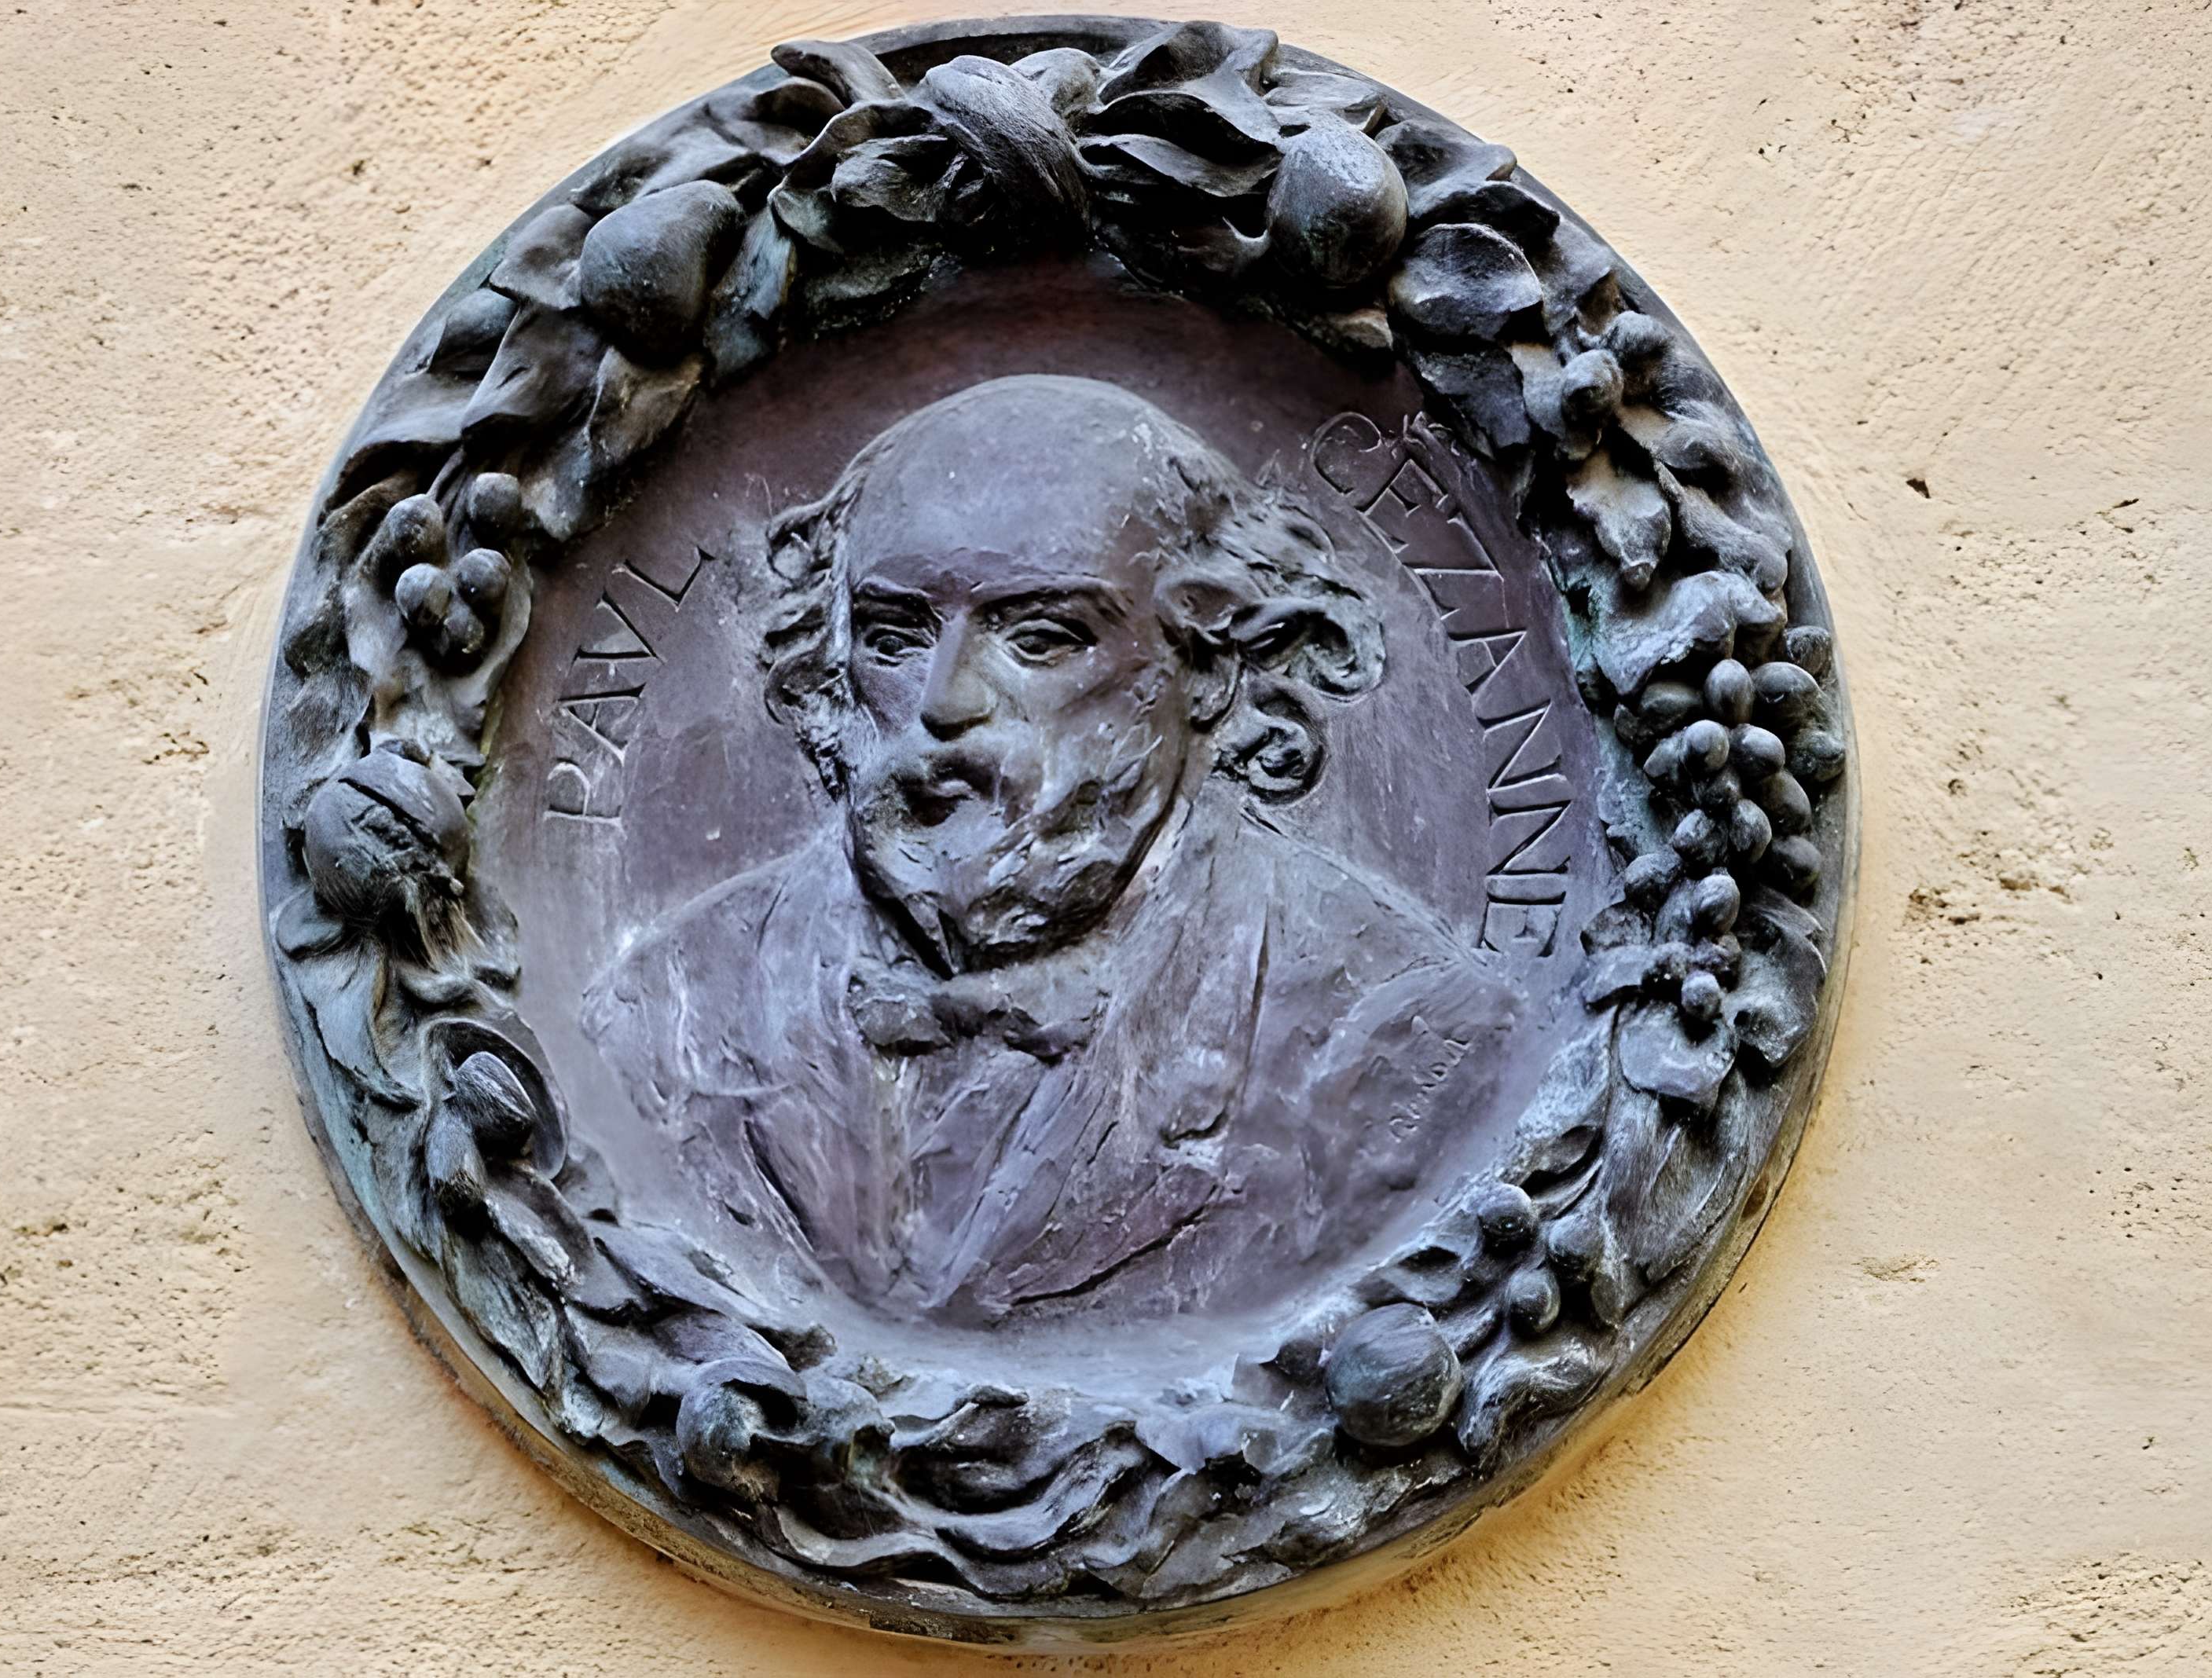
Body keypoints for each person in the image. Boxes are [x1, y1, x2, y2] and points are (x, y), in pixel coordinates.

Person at [582, 376, 1514, 1324]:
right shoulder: (660, 1007)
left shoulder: (1407, 1030)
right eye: (894, 636)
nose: (945, 703)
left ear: (1204, 667)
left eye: (1040, 639)